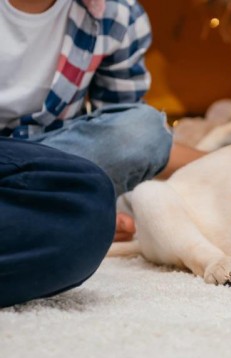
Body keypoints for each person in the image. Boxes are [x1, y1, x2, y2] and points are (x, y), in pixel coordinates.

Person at [0, 0, 203, 306]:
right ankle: (47, 212)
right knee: (86, 211)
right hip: (39, 176)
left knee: (142, 131)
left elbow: (121, 135)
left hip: (48, 164)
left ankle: (45, 209)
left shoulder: (117, 14)